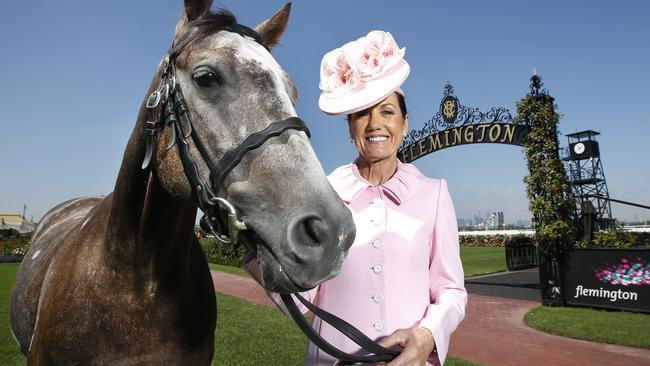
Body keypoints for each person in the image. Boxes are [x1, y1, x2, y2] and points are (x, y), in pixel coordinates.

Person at [246, 30, 467, 366]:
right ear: (350, 128)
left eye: (388, 112)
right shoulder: (322, 193)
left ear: (405, 124)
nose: (374, 124)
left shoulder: (434, 194)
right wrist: (255, 249)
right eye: (362, 114)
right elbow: (303, 301)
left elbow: (452, 291)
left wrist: (427, 337)